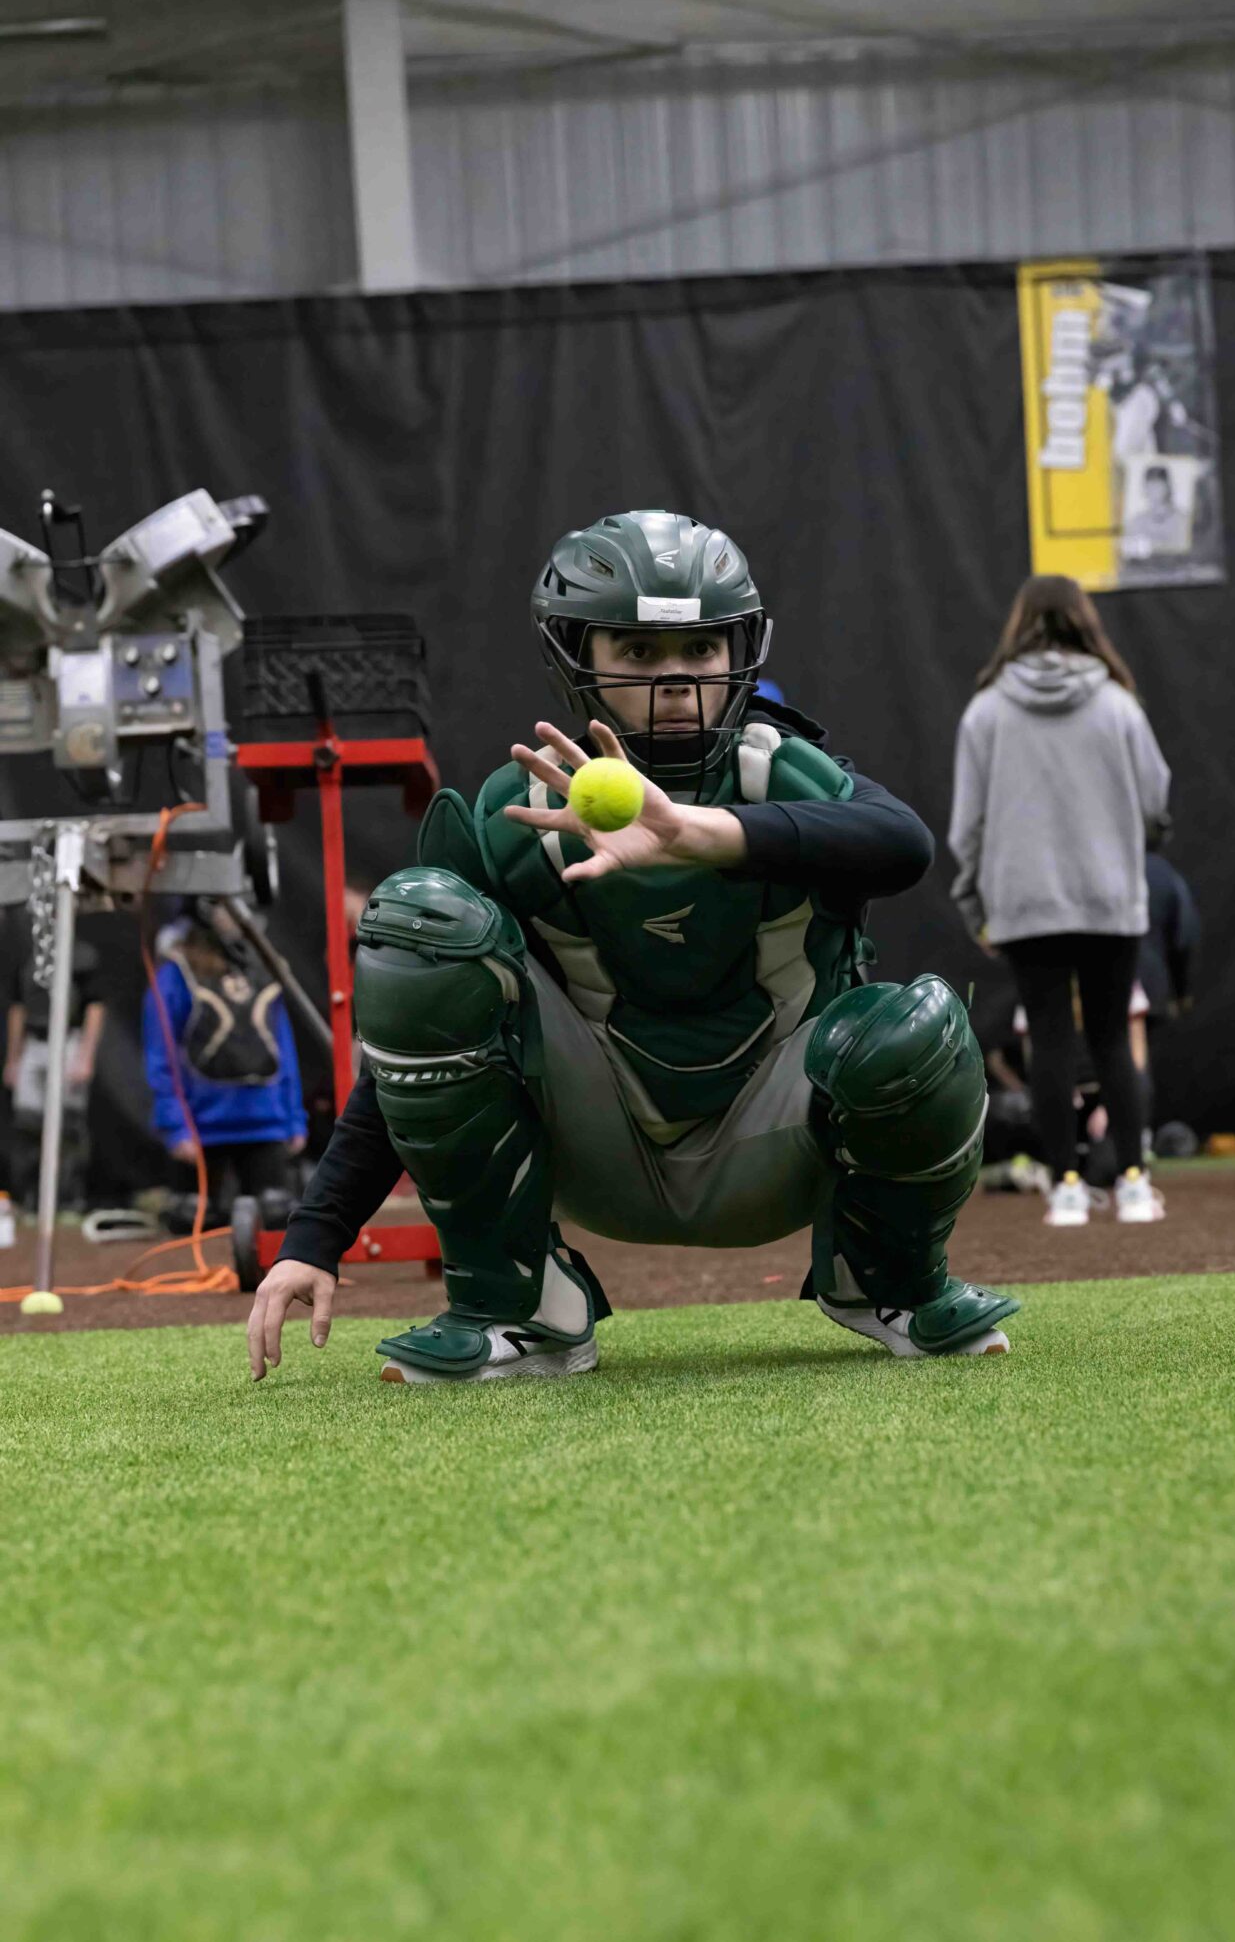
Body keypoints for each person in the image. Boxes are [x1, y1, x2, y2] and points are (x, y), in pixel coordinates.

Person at [246, 508, 1017, 1384]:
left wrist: (697, 833)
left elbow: (904, 846)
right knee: (422, 926)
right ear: (576, 655)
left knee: (918, 1024)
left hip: (782, 1144)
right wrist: (315, 1235)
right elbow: (409, 1043)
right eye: (640, 652)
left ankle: (889, 1283)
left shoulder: (782, 772)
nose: (676, 680)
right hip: (597, 1147)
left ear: (739, 652)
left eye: (701, 649)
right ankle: (519, 1306)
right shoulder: (519, 814)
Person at [948, 574, 1170, 1229]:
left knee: (1048, 1040)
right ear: (1085, 621)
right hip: (1108, 897)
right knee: (1111, 1037)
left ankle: (1065, 1187)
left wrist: (975, 905)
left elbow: (967, 827)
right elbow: (1156, 801)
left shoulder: (986, 710)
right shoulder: (1119, 705)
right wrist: (1133, 843)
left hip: (1025, 901)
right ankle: (1134, 1183)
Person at [144, 904, 307, 1225]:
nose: (234, 911)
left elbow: (282, 1046)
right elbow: (161, 1053)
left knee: (275, 1216)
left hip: (265, 1124)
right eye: (223, 904)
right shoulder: (177, 972)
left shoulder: (263, 966)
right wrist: (175, 1125)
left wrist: (293, 1118)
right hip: (201, 1130)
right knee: (193, 1220)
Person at [4, 938, 104, 1211]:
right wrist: (13, 1058)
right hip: (34, 1043)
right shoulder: (28, 955)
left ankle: (68, 1199)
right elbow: (17, 1007)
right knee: (27, 1122)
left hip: (68, 1042)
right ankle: (27, 1198)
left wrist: (85, 1056)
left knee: (68, 1125)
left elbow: (95, 1006)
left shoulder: (83, 955)